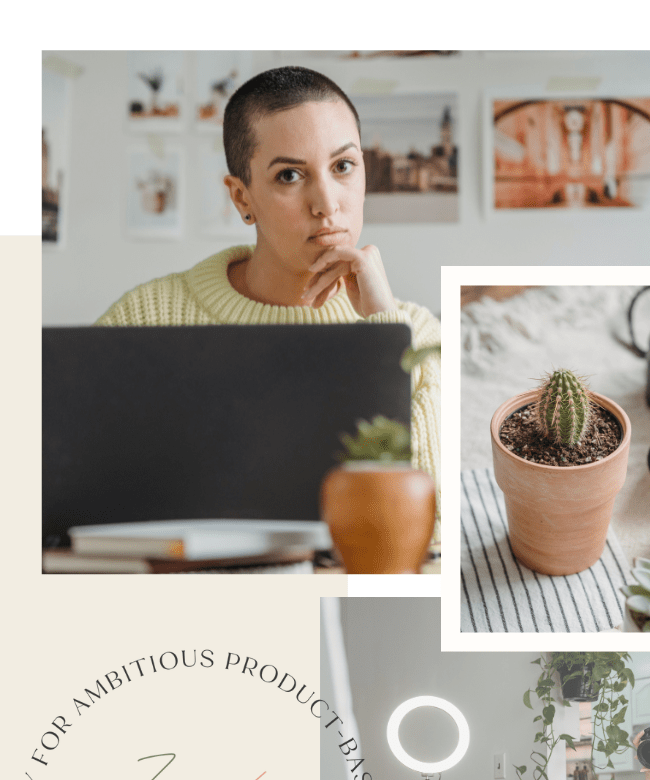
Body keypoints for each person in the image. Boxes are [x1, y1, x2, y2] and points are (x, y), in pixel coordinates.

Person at [95, 66, 440, 535]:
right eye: (290, 175)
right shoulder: (145, 318)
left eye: (343, 166)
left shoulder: (417, 335)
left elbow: (431, 524)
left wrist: (384, 333)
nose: (326, 203)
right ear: (242, 198)